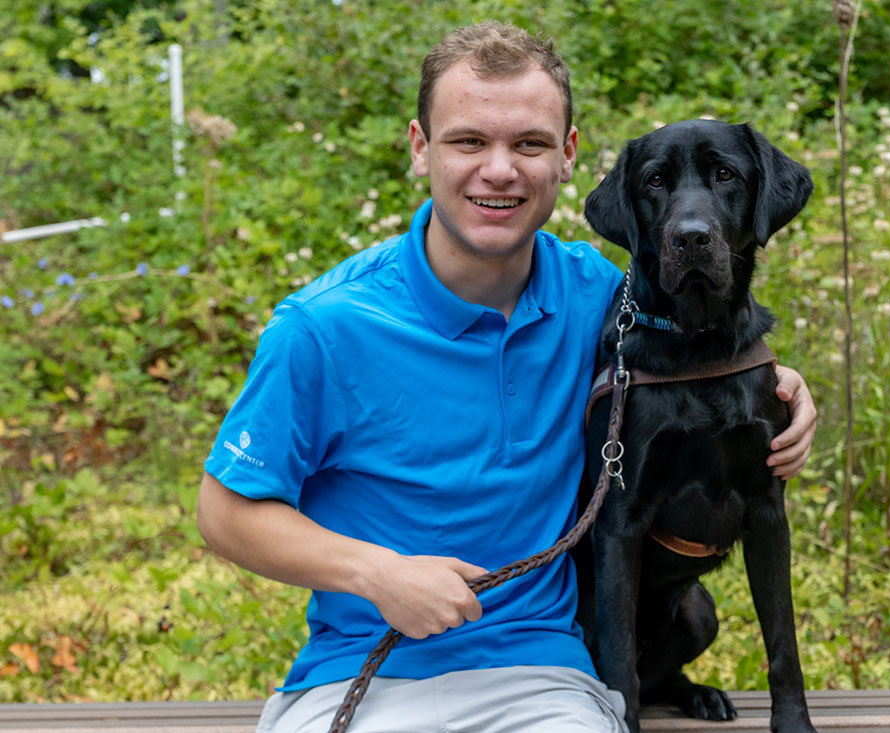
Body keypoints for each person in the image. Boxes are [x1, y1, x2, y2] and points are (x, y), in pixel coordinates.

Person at [197, 21, 818, 733]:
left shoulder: (597, 296)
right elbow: (223, 512)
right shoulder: (324, 327)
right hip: (366, 672)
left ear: (566, 155)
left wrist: (781, 386)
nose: (500, 170)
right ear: (420, 148)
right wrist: (379, 574)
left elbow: (695, 352)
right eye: (468, 141)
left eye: (528, 143)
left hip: (542, 677)